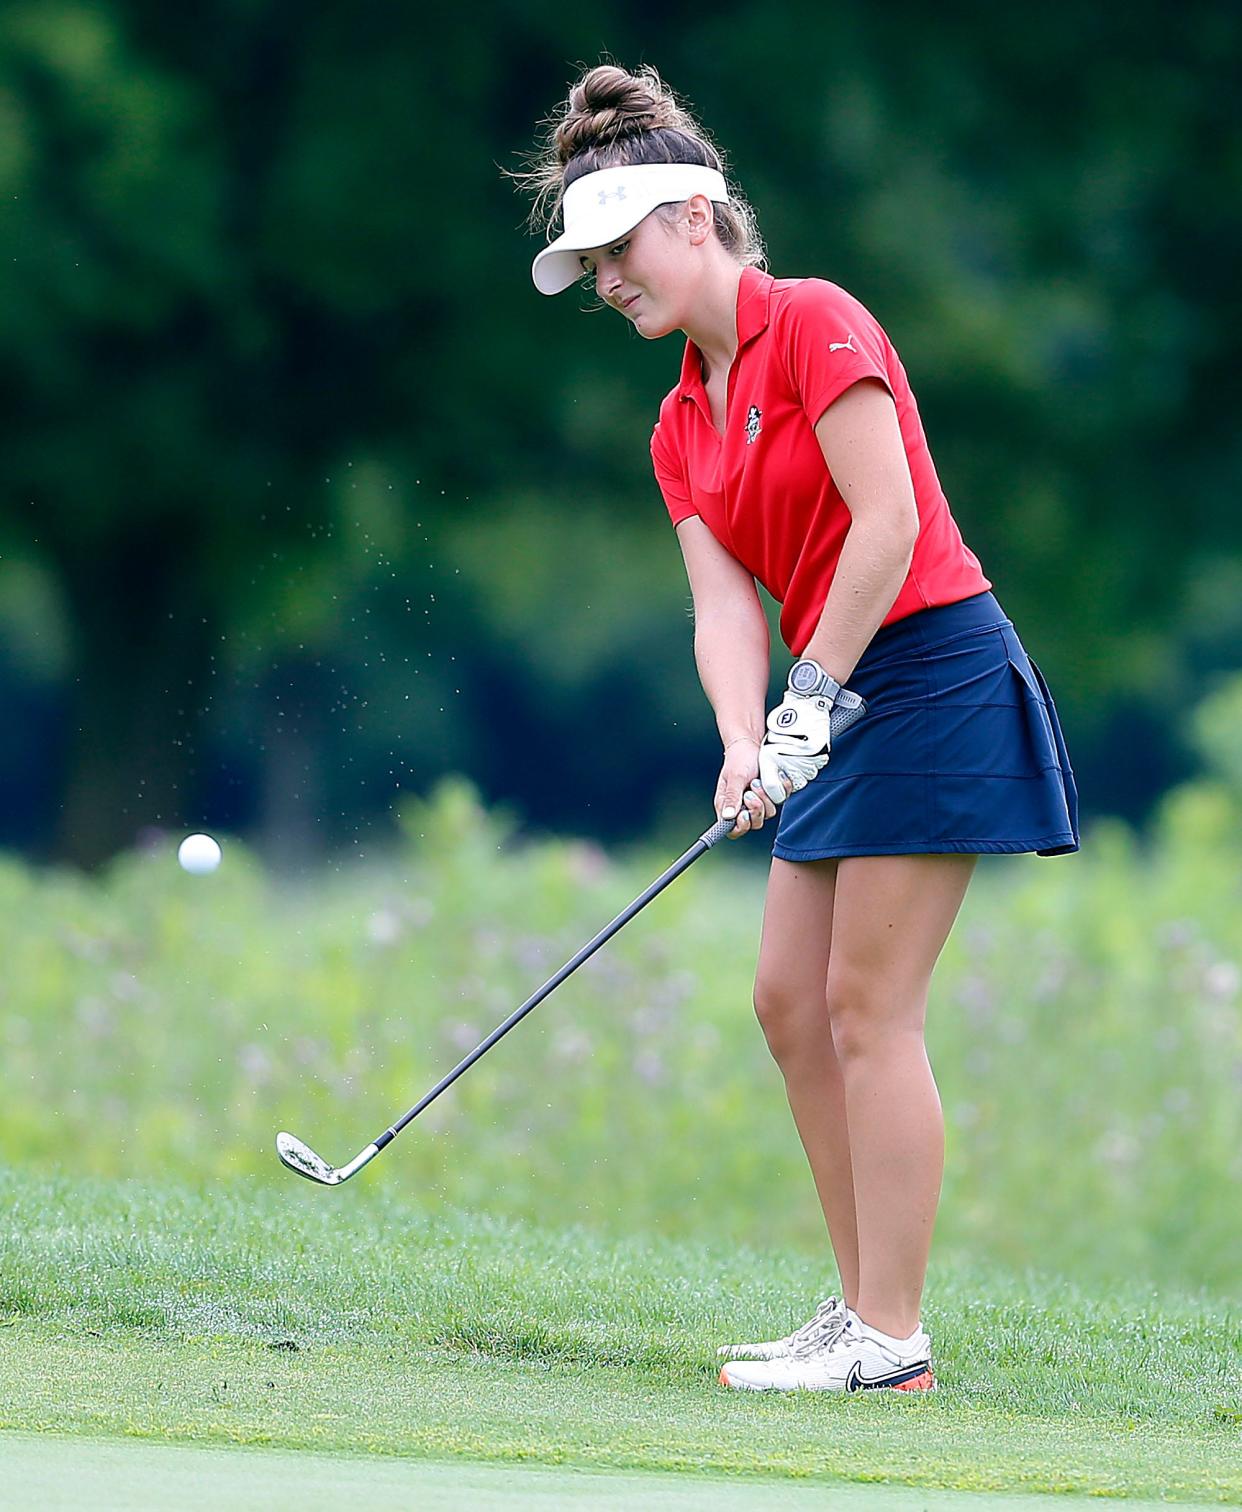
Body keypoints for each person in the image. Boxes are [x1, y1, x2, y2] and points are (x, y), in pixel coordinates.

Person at [518, 63, 1079, 1394]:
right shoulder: (679, 419)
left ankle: (891, 1339)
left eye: (617, 249)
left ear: (695, 222)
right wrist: (738, 736)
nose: (605, 281)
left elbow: (884, 526)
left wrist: (810, 698)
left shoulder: (815, 324)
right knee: (786, 1004)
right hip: (828, 698)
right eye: (586, 263)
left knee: (866, 1005)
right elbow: (722, 606)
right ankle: (855, 1306)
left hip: (928, 672)